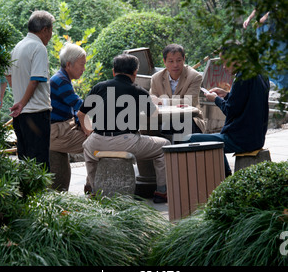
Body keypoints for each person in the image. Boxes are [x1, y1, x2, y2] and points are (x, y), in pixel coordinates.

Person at [78, 53, 171, 203]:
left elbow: (81, 113)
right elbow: (154, 115)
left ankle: (94, 189)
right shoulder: (138, 90)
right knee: (165, 146)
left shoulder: (99, 87)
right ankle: (161, 192)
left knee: (88, 150)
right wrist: (153, 101)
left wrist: (88, 131)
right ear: (135, 73)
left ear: (114, 71)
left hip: (98, 140)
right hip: (126, 141)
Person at [184, 43, 270, 177]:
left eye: (225, 62)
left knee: (188, 139)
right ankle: (226, 174)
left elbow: (230, 110)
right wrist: (226, 94)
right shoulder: (259, 73)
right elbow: (247, 101)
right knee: (215, 142)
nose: (224, 67)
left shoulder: (242, 77)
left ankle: (223, 176)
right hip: (256, 137)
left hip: (241, 138)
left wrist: (216, 99)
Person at [6, 10, 55, 170]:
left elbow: (8, 74)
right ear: (45, 30)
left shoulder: (18, 46)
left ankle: (26, 195)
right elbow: (35, 80)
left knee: (25, 162)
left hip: (21, 116)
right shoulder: (38, 47)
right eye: (51, 30)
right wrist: (22, 102)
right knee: (39, 165)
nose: (51, 35)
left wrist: (19, 97)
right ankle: (39, 195)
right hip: (36, 113)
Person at [49, 42, 90, 190]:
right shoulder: (60, 80)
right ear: (69, 65)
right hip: (58, 132)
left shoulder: (62, 78)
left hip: (62, 128)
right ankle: (91, 187)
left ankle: (91, 186)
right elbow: (79, 105)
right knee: (97, 141)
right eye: (81, 64)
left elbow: (76, 110)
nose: (84, 69)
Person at [150, 44, 206, 137]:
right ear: (164, 61)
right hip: (163, 118)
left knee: (177, 123)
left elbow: (189, 102)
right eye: (171, 61)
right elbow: (152, 101)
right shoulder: (156, 78)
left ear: (184, 59)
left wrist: (162, 101)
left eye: (179, 60)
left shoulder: (194, 77)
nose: (175, 65)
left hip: (189, 118)